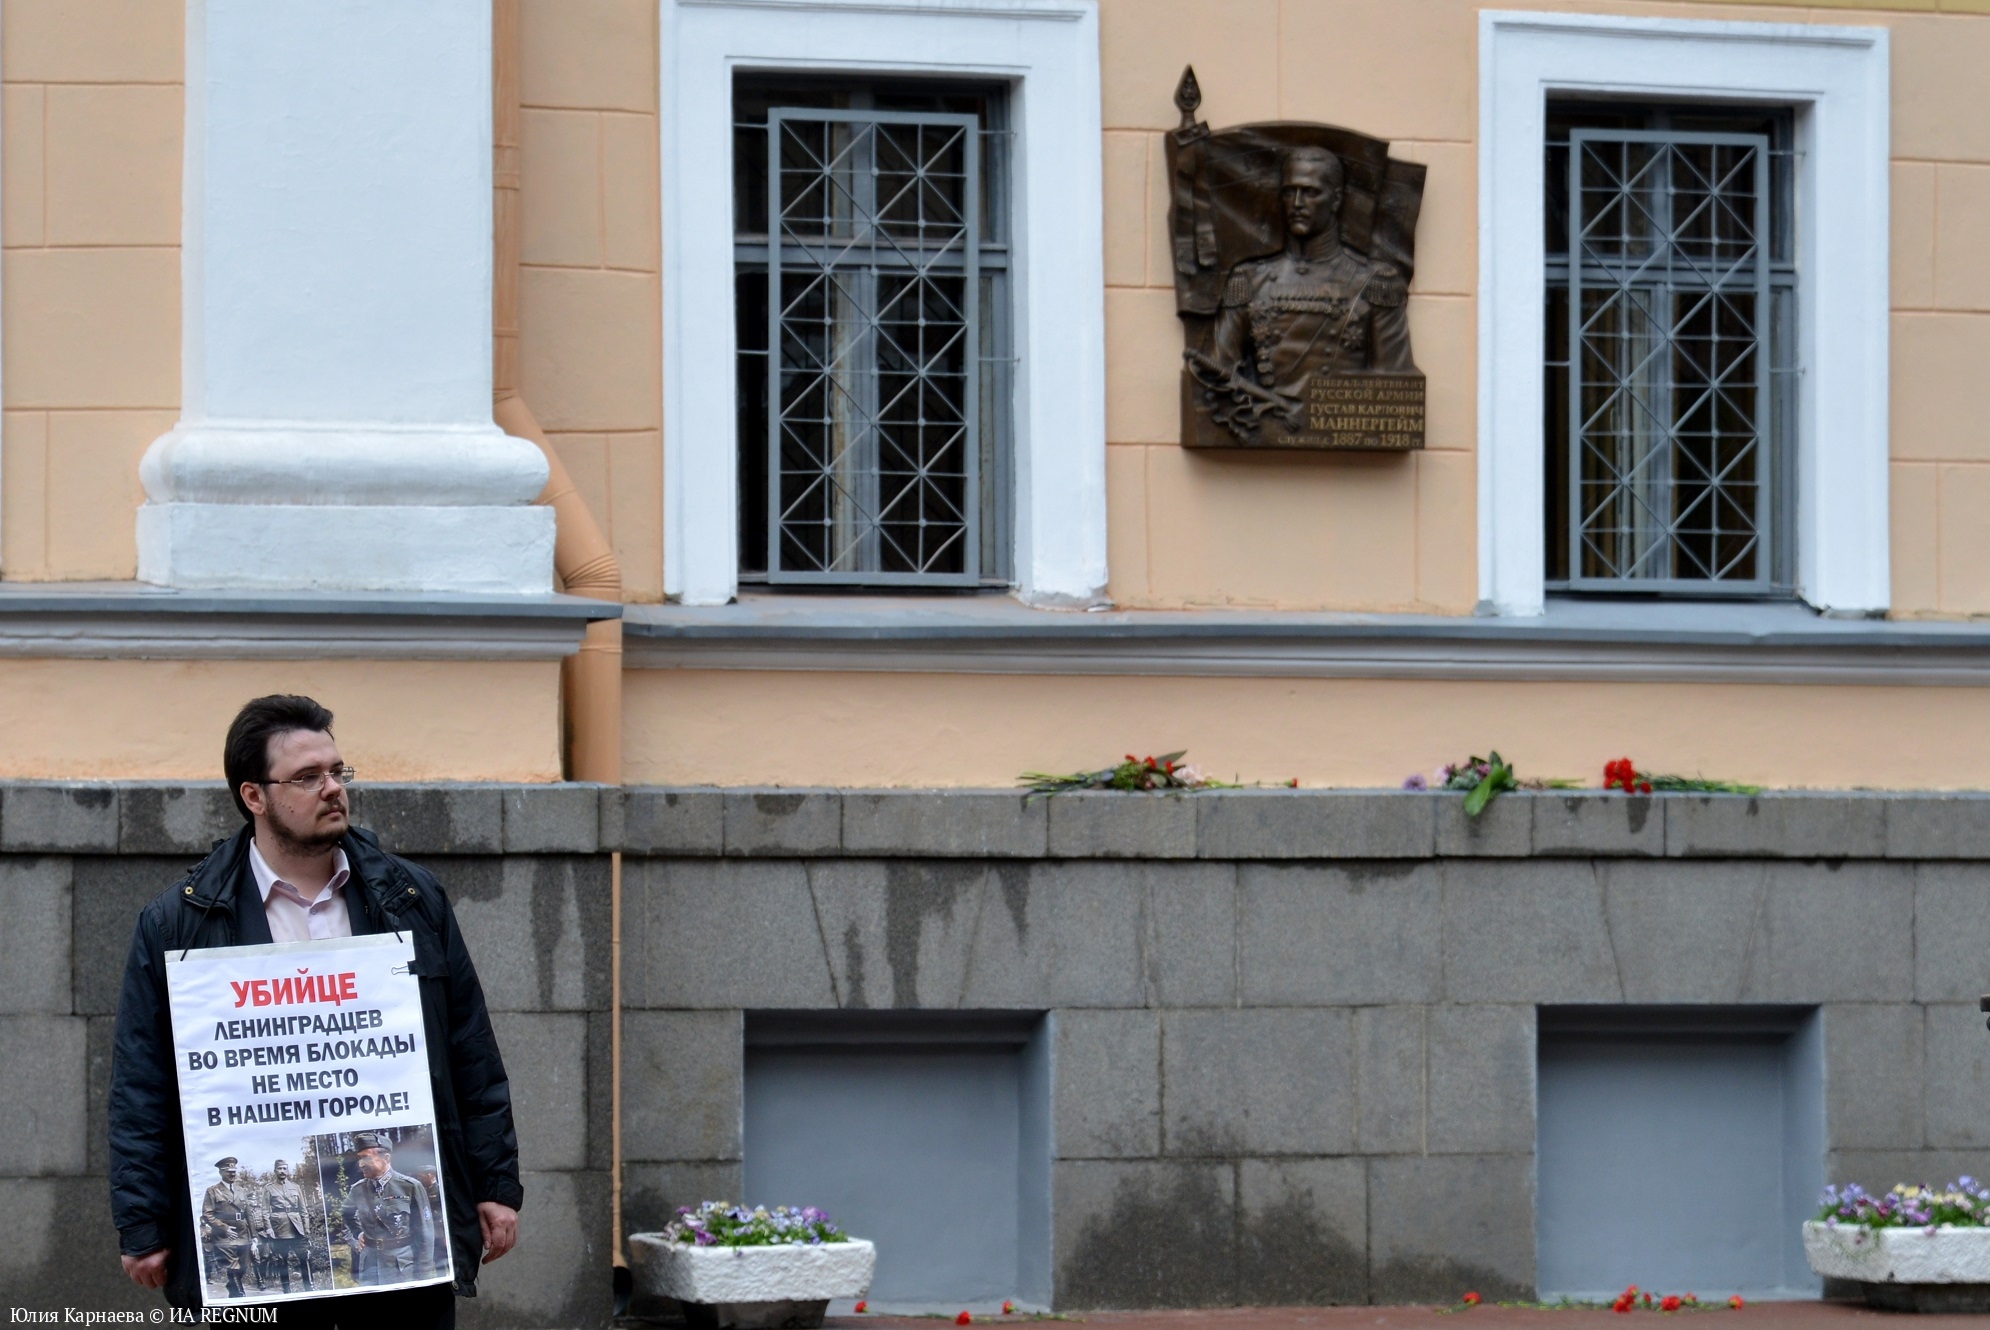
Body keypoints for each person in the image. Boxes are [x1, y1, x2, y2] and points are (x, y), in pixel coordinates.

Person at [109, 694, 523, 1327]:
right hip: (256, 1264)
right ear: (254, 796)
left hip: (400, 1273)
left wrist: (495, 1185)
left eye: (337, 771)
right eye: (308, 777)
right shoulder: (180, 922)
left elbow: (469, 1048)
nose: (333, 789)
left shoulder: (410, 898)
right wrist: (142, 1220)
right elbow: (142, 1082)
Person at [1188, 145, 1414, 439]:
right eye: (1289, 191)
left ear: (1335, 200)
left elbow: (1394, 391)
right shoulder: (1248, 279)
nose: (1297, 202)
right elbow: (1214, 375)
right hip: (1261, 429)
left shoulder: (1375, 282)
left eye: (1310, 192)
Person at [339, 1137, 434, 1286]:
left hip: (401, 1266)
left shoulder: (410, 1186)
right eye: (359, 1158)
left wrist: (424, 1274)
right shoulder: (358, 1189)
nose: (361, 1164)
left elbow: (425, 1233)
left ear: (386, 1158)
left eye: (366, 1158)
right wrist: (358, 1234)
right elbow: (346, 1212)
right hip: (369, 1266)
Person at [199, 1157, 256, 1299]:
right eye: (229, 1171)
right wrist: (224, 1228)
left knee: (243, 1266)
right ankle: (240, 1295)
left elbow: (249, 1213)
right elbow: (207, 1214)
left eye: (234, 1171)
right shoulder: (212, 1191)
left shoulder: (241, 1190)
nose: (232, 1174)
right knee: (233, 1265)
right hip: (224, 1235)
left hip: (243, 1233)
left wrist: (254, 1236)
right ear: (221, 1172)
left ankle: (232, 1286)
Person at [261, 1159, 314, 1294]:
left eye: (285, 1168)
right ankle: (287, 1290)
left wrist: (306, 1227)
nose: (282, 1171)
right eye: (280, 1169)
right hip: (279, 1229)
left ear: (287, 1170)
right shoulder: (269, 1188)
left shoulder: (295, 1187)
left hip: (297, 1228)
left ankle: (309, 1288)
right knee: (281, 1260)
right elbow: (265, 1211)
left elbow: (303, 1210)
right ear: (275, 1171)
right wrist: (268, 1228)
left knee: (304, 1257)